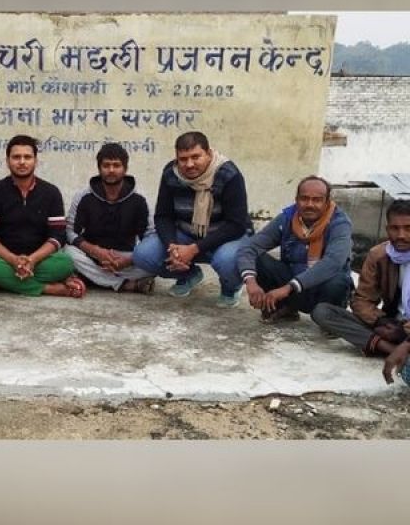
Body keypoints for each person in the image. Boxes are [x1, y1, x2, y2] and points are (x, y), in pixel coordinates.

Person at [132, 131, 251, 307]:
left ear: (209, 154)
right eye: (183, 159)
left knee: (227, 260)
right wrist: (172, 247)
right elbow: (163, 216)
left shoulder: (228, 175)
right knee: (143, 255)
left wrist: (194, 249)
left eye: (196, 157)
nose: (189, 164)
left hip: (226, 237)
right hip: (186, 233)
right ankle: (188, 275)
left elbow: (237, 225)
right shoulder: (171, 174)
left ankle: (230, 287)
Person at [0, 134, 84, 298]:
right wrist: (13, 260)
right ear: (7, 161)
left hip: (41, 261)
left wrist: (32, 260)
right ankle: (49, 289)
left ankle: (3, 282)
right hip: (5, 260)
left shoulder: (51, 193)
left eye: (27, 157)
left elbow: (57, 236)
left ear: (35, 161)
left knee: (66, 263)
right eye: (16, 157)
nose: (22, 162)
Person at [310, 200, 409, 373]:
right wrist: (380, 320)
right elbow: (362, 299)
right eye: (395, 228)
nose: (401, 235)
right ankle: (390, 349)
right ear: (387, 230)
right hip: (391, 324)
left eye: (408, 228)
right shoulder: (378, 255)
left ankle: (384, 346)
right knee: (323, 312)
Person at [239, 176, 352, 322]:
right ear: (296, 199)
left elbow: (334, 262)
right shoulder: (287, 218)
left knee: (338, 280)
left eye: (317, 200)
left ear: (327, 202)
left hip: (321, 289)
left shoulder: (340, 223)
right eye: (304, 199)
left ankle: (331, 319)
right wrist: (251, 281)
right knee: (259, 260)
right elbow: (250, 246)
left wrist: (288, 288)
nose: (309, 204)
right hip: (293, 284)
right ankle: (283, 308)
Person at [66, 142, 154, 293]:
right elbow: (70, 231)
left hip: (125, 259)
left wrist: (130, 260)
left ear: (125, 168)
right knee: (68, 253)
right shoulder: (83, 196)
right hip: (92, 256)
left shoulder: (139, 199)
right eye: (106, 165)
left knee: (156, 260)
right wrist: (95, 251)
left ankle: (95, 279)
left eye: (116, 165)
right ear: (99, 168)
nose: (111, 170)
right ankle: (125, 285)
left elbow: (150, 237)